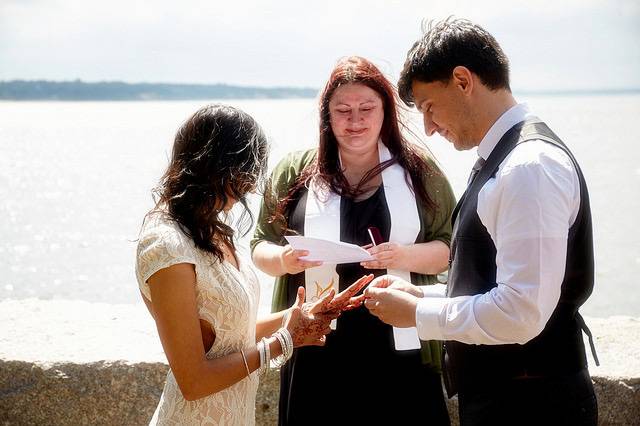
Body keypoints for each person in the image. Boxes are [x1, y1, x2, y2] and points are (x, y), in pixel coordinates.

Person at [361, 18, 599, 425]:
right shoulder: (505, 160)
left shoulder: (528, 167)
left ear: (462, 80)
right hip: (512, 399)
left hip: (531, 406)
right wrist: (423, 297)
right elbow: (494, 287)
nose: (430, 128)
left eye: (429, 108)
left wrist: (418, 316)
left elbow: (520, 312)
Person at [251, 56, 456, 425]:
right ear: (326, 116)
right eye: (342, 110)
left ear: (386, 112)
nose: (355, 120)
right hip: (316, 344)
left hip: (400, 343)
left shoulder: (419, 173)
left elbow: (448, 250)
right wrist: (284, 260)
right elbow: (259, 246)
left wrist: (403, 255)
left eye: (366, 108)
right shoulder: (295, 172)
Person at [135, 104, 369, 425]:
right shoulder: (166, 245)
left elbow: (232, 334)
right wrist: (283, 342)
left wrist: (297, 316)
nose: (247, 188)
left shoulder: (212, 229)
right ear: (216, 166)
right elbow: (194, 381)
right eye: (244, 174)